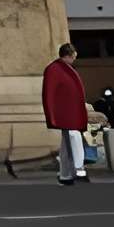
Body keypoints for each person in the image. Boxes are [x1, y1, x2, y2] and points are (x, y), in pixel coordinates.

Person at [43, 42, 89, 183]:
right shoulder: (55, 70)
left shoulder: (60, 69)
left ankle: (65, 174)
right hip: (66, 113)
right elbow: (49, 93)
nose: (74, 60)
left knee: (66, 144)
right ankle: (79, 169)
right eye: (73, 57)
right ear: (67, 56)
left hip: (68, 112)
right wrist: (51, 113)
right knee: (74, 137)